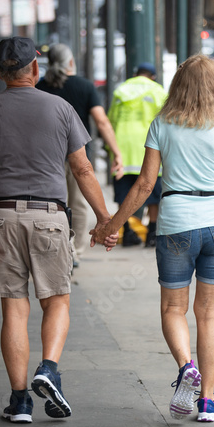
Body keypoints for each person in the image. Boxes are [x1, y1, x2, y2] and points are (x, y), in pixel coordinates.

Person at [92, 55, 214, 422]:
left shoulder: (162, 125)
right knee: (209, 315)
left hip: (174, 224)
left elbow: (144, 185)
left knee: (174, 309)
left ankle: (187, 366)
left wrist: (112, 226)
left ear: (177, 87)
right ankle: (207, 402)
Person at [0, 37, 117, 423]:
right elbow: (83, 170)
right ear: (35, 69)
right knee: (57, 299)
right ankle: (49, 368)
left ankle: (20, 402)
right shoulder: (60, 108)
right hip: (49, 218)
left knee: (13, 309)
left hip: (0, 217)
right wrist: (104, 219)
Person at [36, 43, 123, 267]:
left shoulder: (40, 87)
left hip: (45, 157)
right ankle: (73, 251)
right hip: (78, 155)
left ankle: (54, 248)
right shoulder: (85, 86)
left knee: (50, 204)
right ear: (71, 62)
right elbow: (101, 121)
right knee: (78, 204)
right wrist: (116, 152)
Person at [107, 62, 167, 247]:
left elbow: (111, 120)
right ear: (153, 76)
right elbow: (165, 121)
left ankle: (126, 231)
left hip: (122, 148)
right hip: (147, 148)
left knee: (124, 193)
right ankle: (152, 233)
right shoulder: (158, 92)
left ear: (135, 73)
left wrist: (112, 149)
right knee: (153, 192)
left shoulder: (120, 91)